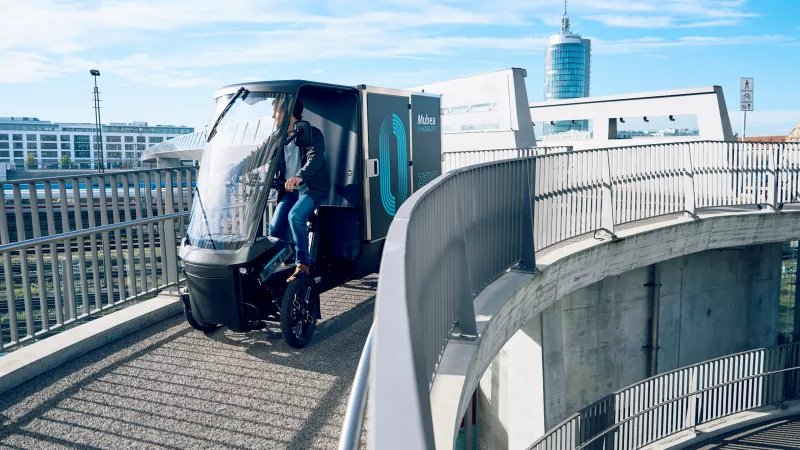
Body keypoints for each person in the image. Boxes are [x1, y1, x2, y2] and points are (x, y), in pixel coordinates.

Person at [270, 99, 331, 282]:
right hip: (290, 191)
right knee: (274, 229)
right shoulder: (279, 137)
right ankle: (284, 260)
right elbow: (257, 156)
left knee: (295, 216)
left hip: (311, 188)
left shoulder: (311, 134)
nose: (273, 116)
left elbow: (315, 158)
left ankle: (302, 264)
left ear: (288, 112)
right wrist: (232, 171)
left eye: (276, 112)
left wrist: (300, 175)